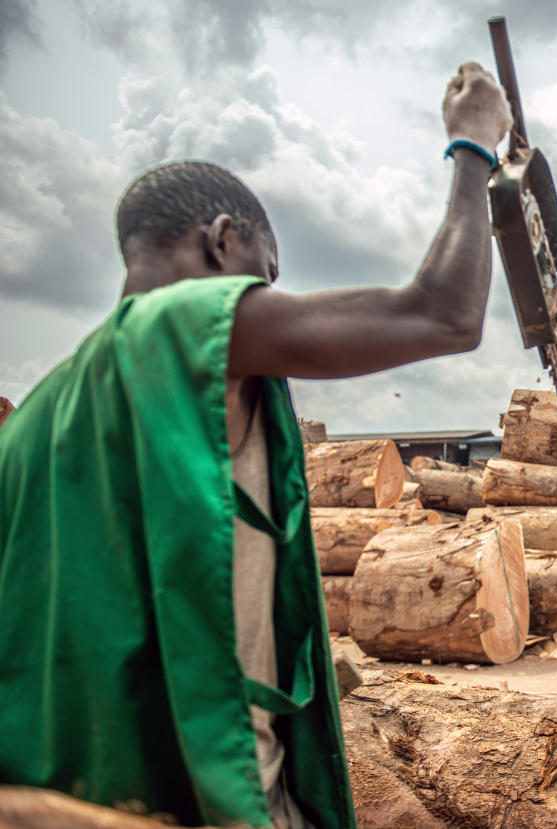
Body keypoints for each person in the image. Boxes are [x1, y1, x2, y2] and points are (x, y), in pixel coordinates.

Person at [0, 62, 512, 828]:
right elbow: (444, 314)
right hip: (211, 797)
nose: (265, 300)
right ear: (222, 243)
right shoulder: (184, 323)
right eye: (266, 276)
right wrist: (474, 146)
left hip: (71, 793)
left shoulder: (38, 415)